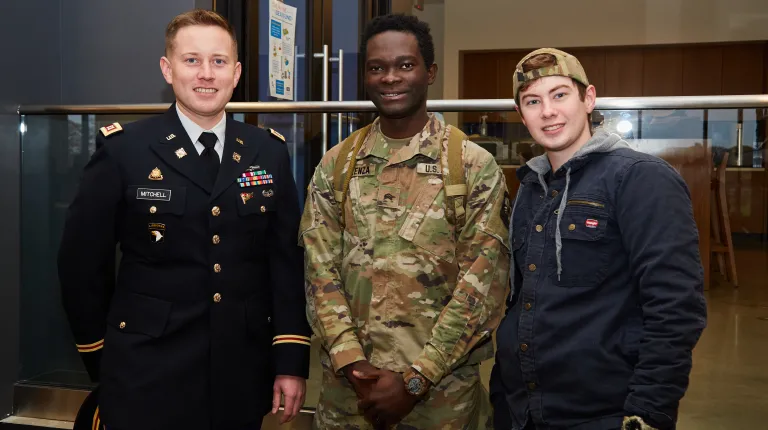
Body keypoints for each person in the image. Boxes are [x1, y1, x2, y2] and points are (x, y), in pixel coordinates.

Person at [58, 9, 311, 430]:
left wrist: (289, 360)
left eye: (219, 61)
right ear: (168, 69)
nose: (206, 74)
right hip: (146, 369)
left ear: (236, 72)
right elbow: (81, 265)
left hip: (240, 371)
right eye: (192, 60)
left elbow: (285, 264)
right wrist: (103, 356)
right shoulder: (125, 150)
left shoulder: (267, 151)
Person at [299, 14, 511, 430]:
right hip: (350, 398)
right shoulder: (337, 164)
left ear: (429, 72)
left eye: (405, 65)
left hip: (441, 400)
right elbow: (318, 273)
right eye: (377, 68)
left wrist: (416, 381)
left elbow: (482, 289)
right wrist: (354, 365)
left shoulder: (471, 166)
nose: (390, 78)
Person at [489, 48, 707, 430]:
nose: (548, 111)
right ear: (521, 115)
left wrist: (648, 411)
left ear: (588, 98)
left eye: (560, 95)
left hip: (605, 413)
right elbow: (520, 301)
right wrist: (503, 395)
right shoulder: (530, 187)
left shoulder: (640, 179)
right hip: (524, 411)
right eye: (532, 101)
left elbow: (676, 307)